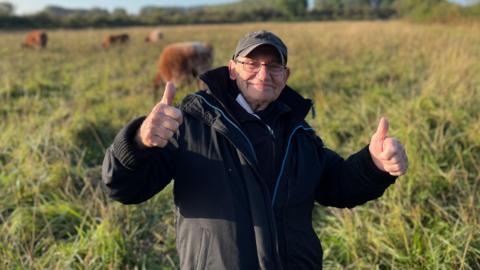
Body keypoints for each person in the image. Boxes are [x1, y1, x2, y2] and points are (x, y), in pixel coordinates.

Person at [102, 30, 408, 270]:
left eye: (274, 67)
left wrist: (374, 164)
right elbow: (124, 188)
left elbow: (339, 186)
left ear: (285, 76)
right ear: (232, 70)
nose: (264, 74)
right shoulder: (190, 124)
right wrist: (139, 142)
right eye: (252, 63)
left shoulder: (299, 135)